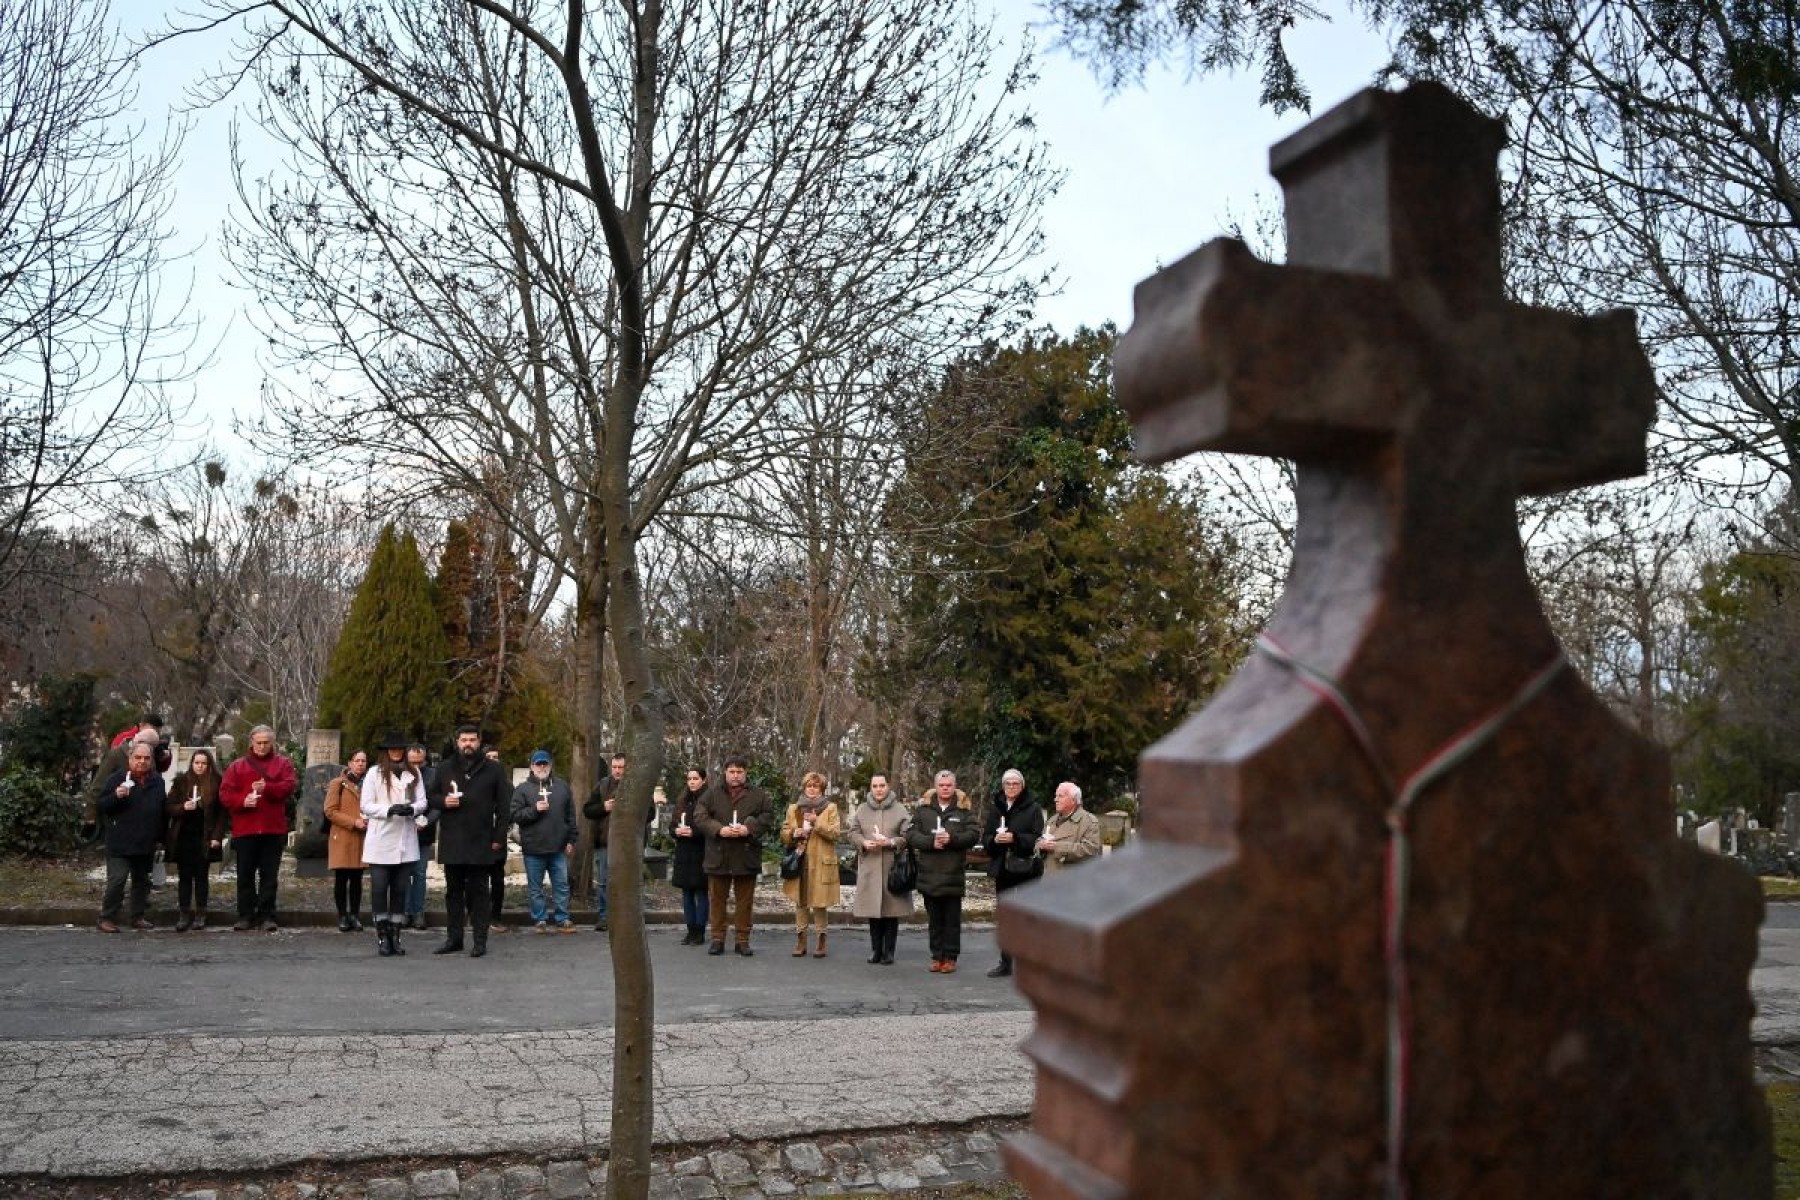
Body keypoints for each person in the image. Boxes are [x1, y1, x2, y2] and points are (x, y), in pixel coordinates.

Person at [428, 723, 507, 957]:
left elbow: (503, 807)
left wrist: (499, 837)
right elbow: (431, 797)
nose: (468, 744)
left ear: (479, 742)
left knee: (479, 893)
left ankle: (480, 940)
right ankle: (454, 938)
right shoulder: (444, 768)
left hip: (481, 839)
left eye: (472, 740)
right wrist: (443, 802)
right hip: (453, 839)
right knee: (453, 892)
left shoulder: (493, 770)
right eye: (464, 740)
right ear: (457, 742)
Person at [218, 725, 298, 932]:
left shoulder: (282, 764)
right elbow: (225, 794)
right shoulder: (237, 766)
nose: (262, 746)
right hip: (246, 830)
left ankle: (267, 915)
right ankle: (245, 915)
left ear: (272, 743)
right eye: (258, 742)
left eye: (266, 743)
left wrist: (268, 788)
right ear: (251, 743)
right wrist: (243, 801)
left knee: (269, 876)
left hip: (273, 830)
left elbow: (289, 786)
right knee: (245, 875)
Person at [691, 754, 772, 956]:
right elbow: (699, 816)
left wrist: (748, 828)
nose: (735, 776)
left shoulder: (759, 795)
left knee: (745, 901)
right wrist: (719, 829)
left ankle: (742, 940)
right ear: (725, 772)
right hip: (718, 854)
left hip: (746, 854)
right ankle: (717, 939)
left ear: (746, 773)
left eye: (739, 772)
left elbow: (768, 816)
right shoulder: (711, 794)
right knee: (717, 900)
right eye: (732, 771)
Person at [906, 769, 979, 974]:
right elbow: (911, 834)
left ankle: (950, 957)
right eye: (941, 785)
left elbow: (974, 834)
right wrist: (931, 842)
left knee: (951, 920)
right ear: (935, 786)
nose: (945, 788)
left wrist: (952, 839)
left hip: (953, 874)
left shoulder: (963, 811)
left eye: (949, 785)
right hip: (929, 874)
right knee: (935, 920)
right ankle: (937, 956)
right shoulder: (923, 810)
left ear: (954, 786)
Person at [360, 735, 426, 957]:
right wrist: (388, 810)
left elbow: (423, 801)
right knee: (379, 889)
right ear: (386, 751)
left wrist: (413, 809)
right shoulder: (374, 773)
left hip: (405, 840)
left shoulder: (414, 773)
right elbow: (366, 805)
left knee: (400, 890)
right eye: (392, 749)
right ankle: (382, 936)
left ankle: (396, 936)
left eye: (400, 748)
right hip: (381, 839)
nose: (396, 752)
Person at [980, 767, 1046, 977]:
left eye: (1015, 784)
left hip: (1026, 870)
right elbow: (986, 837)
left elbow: (1037, 838)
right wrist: (995, 840)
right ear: (1002, 786)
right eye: (1007, 784)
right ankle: (1005, 962)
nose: (1011, 787)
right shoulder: (996, 808)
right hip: (1003, 869)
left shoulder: (1033, 808)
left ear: (1022, 786)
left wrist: (1014, 838)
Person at [96, 742, 167, 932]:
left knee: (142, 882)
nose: (142, 762)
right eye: (138, 758)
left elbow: (162, 810)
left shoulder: (157, 782)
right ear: (130, 758)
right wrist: (116, 796)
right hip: (120, 842)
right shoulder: (117, 779)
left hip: (145, 842)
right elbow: (102, 805)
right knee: (117, 880)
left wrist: (162, 838)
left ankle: (137, 916)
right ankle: (106, 917)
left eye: (146, 758)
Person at [847, 772, 912, 965]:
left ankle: (889, 951)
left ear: (888, 786)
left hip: (893, 868)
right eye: (875, 786)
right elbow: (852, 832)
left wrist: (891, 842)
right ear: (870, 788)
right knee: (873, 912)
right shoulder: (861, 810)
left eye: (882, 785)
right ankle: (876, 949)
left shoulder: (900, 810)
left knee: (891, 912)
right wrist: (863, 843)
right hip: (870, 867)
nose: (878, 789)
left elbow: (908, 835)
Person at [511, 749, 577, 933]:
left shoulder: (562, 787)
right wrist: (534, 809)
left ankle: (562, 918)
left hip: (558, 847)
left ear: (550, 765)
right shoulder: (522, 789)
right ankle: (540, 919)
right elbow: (515, 815)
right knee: (535, 888)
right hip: (534, 848)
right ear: (531, 766)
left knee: (561, 885)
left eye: (544, 763)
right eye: (538, 764)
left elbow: (571, 816)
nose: (541, 767)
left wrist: (572, 839)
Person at [780, 771, 842, 958]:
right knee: (800, 901)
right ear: (804, 787)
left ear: (822, 789)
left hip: (821, 861)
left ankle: (821, 940)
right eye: (809, 785)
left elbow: (835, 833)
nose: (812, 789)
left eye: (816, 786)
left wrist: (817, 824)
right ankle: (801, 940)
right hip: (800, 860)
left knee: (820, 903)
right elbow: (784, 832)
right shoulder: (794, 808)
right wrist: (794, 833)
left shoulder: (830, 808)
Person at [164, 748, 226, 931]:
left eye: (204, 763)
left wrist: (216, 836)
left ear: (209, 765)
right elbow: (168, 807)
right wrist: (183, 807)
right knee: (184, 876)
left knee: (201, 877)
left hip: (204, 837)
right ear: (192, 764)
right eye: (197, 763)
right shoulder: (182, 782)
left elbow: (222, 815)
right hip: (184, 835)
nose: (200, 766)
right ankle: (184, 913)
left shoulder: (216, 783)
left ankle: (201, 913)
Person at [83, 727, 166, 839]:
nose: (143, 760)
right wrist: (90, 816)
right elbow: (97, 786)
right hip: (115, 817)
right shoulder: (115, 756)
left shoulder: (149, 761)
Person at [324, 748, 372, 932]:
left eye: (364, 761)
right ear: (350, 763)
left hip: (362, 837)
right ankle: (342, 915)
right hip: (343, 836)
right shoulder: (338, 783)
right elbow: (330, 811)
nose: (360, 764)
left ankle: (355, 915)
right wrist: (353, 822)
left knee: (357, 879)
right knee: (342, 878)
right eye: (357, 760)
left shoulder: (369, 783)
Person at [669, 766, 711, 945]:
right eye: (689, 779)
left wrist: (693, 832)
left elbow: (710, 826)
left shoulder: (709, 799)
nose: (692, 782)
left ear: (703, 779)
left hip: (701, 851)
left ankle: (700, 930)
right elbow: (672, 826)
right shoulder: (682, 800)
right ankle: (690, 929)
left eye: (695, 778)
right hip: (684, 852)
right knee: (686, 893)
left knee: (701, 892)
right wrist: (676, 831)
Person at [403, 742, 435, 929]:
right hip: (402, 830)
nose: (416, 766)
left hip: (423, 831)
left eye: (419, 762)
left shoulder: (432, 775)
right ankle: (405, 910)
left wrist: (427, 821)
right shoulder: (400, 773)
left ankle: (418, 911)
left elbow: (437, 804)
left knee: (420, 873)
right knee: (404, 873)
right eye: (412, 762)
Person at [1039, 781, 1103, 872]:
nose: (1055, 800)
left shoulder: (1089, 821)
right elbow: (1040, 840)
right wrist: (1040, 846)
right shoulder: (1052, 820)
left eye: (1060, 796)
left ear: (1073, 800)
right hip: (1049, 878)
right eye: (1056, 796)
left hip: (1073, 880)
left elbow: (1091, 849)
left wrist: (1057, 847)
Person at [482, 744, 510, 932]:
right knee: (478, 881)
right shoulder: (476, 781)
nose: (494, 760)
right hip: (478, 840)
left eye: (496, 756)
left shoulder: (507, 785)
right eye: (490, 757)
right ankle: (478, 915)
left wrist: (499, 837)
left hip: (498, 840)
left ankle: (496, 917)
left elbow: (509, 813)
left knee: (498, 881)